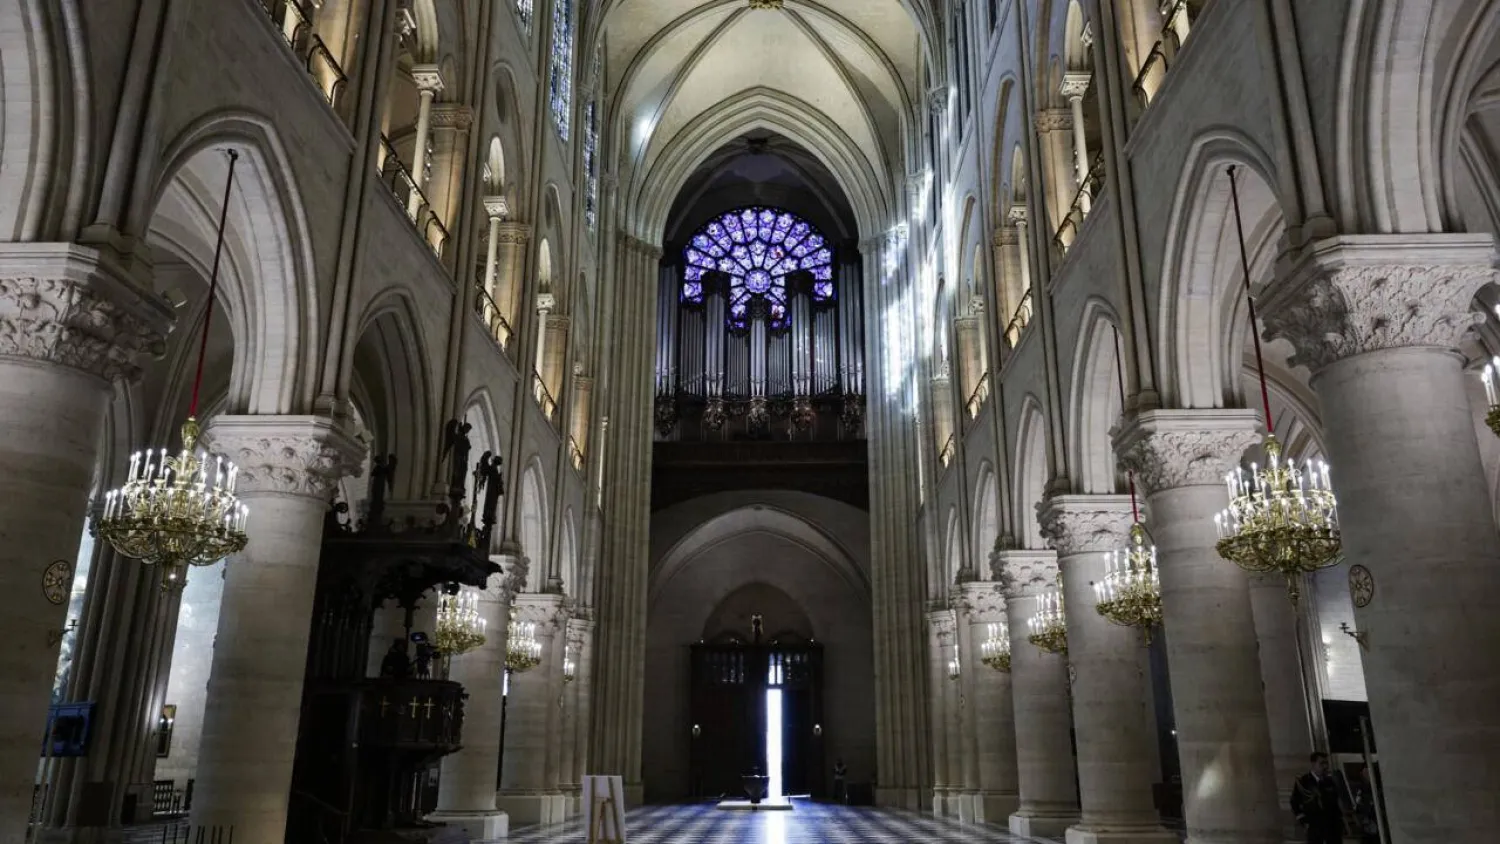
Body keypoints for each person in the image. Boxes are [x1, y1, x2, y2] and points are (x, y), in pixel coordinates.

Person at [1291, 752, 1345, 844]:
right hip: (1314, 824)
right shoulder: (1304, 782)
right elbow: (1294, 801)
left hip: (1332, 824)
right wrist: (1302, 819)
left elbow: (1335, 801)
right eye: (1321, 763)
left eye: (1326, 763)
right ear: (1313, 764)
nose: (1325, 766)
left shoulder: (1329, 781)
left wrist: (1340, 820)